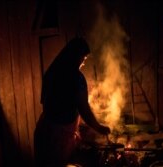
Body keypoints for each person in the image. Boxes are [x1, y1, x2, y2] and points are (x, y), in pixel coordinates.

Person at [34, 36, 110, 167]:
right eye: (83, 58)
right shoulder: (76, 78)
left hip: (44, 130)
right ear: (75, 56)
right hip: (60, 137)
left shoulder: (51, 73)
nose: (84, 62)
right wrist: (99, 128)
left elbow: (45, 103)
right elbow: (84, 110)